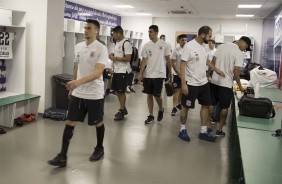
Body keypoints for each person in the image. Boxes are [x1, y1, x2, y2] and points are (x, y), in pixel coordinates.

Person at [48, 19, 108, 167]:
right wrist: (74, 86)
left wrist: (78, 82)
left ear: (96, 31)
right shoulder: (78, 47)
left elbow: (98, 72)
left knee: (98, 122)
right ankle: (63, 156)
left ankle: (99, 148)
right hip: (79, 92)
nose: (86, 30)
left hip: (94, 93)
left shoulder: (101, 48)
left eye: (89, 28)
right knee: (70, 122)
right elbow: (76, 67)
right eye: (85, 28)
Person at [178, 26, 225, 142]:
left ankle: (203, 131)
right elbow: (182, 65)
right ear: (203, 35)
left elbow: (206, 61)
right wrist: (183, 84)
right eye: (209, 36)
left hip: (203, 83)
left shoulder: (204, 47)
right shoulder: (189, 46)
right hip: (191, 83)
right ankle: (182, 129)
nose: (210, 38)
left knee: (206, 106)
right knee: (186, 107)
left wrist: (216, 69)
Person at [210, 36, 251, 137]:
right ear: (243, 43)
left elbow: (213, 63)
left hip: (214, 81)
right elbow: (236, 72)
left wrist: (211, 74)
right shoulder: (239, 53)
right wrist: (240, 86)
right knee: (224, 107)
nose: (244, 49)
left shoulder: (222, 46)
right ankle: (219, 130)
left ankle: (208, 127)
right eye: (245, 47)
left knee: (211, 104)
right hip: (226, 83)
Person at [138, 25, 172, 124]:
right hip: (148, 74)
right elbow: (144, 60)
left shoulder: (165, 44)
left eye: (151, 32)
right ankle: (151, 115)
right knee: (149, 95)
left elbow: (168, 59)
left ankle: (161, 108)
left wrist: (170, 72)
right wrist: (140, 73)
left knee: (157, 95)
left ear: (156, 32)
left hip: (160, 74)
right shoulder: (146, 45)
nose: (149, 33)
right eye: (148, 32)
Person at [109, 26, 133, 121]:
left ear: (118, 33)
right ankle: (123, 108)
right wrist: (112, 55)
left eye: (114, 34)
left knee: (121, 91)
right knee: (118, 91)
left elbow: (128, 58)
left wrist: (116, 58)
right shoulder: (118, 43)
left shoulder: (126, 43)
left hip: (123, 70)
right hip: (117, 70)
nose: (113, 36)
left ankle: (122, 110)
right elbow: (119, 55)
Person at [171, 34, 187, 116]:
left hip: (186, 75)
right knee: (176, 91)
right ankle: (174, 107)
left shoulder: (188, 50)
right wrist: (178, 73)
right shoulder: (176, 50)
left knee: (181, 91)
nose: (184, 41)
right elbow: (173, 63)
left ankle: (178, 103)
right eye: (182, 40)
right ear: (179, 41)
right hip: (177, 74)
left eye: (185, 40)